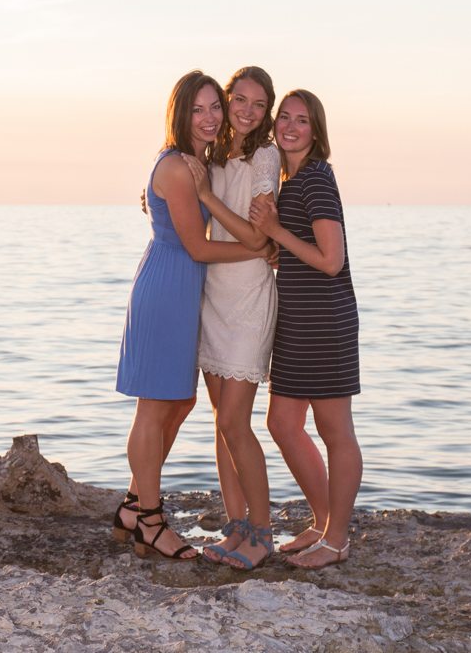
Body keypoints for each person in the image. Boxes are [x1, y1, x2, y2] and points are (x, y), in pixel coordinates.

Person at [114, 70, 267, 560]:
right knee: (155, 407)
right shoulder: (181, 167)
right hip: (168, 289)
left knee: (178, 405)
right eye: (197, 110)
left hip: (184, 291)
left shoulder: (199, 162)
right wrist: (257, 252)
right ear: (180, 114)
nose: (209, 118)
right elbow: (198, 248)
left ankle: (135, 505)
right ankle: (150, 522)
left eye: (213, 108)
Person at [249, 89, 361, 568]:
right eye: (285, 118)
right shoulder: (290, 181)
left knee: (335, 430)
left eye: (302, 120)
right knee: (282, 423)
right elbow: (301, 251)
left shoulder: (314, 179)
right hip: (297, 320)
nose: (291, 127)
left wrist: (275, 233)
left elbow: (331, 261)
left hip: (326, 320)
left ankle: (336, 541)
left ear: (316, 131)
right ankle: (321, 520)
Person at [181, 66, 281, 570]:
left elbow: (256, 238)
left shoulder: (266, 156)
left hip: (247, 299)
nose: (245, 111)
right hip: (212, 295)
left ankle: (263, 533)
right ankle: (237, 526)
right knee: (221, 424)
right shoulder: (212, 153)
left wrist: (205, 198)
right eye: (237, 99)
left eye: (257, 105)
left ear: (266, 113)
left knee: (238, 422)